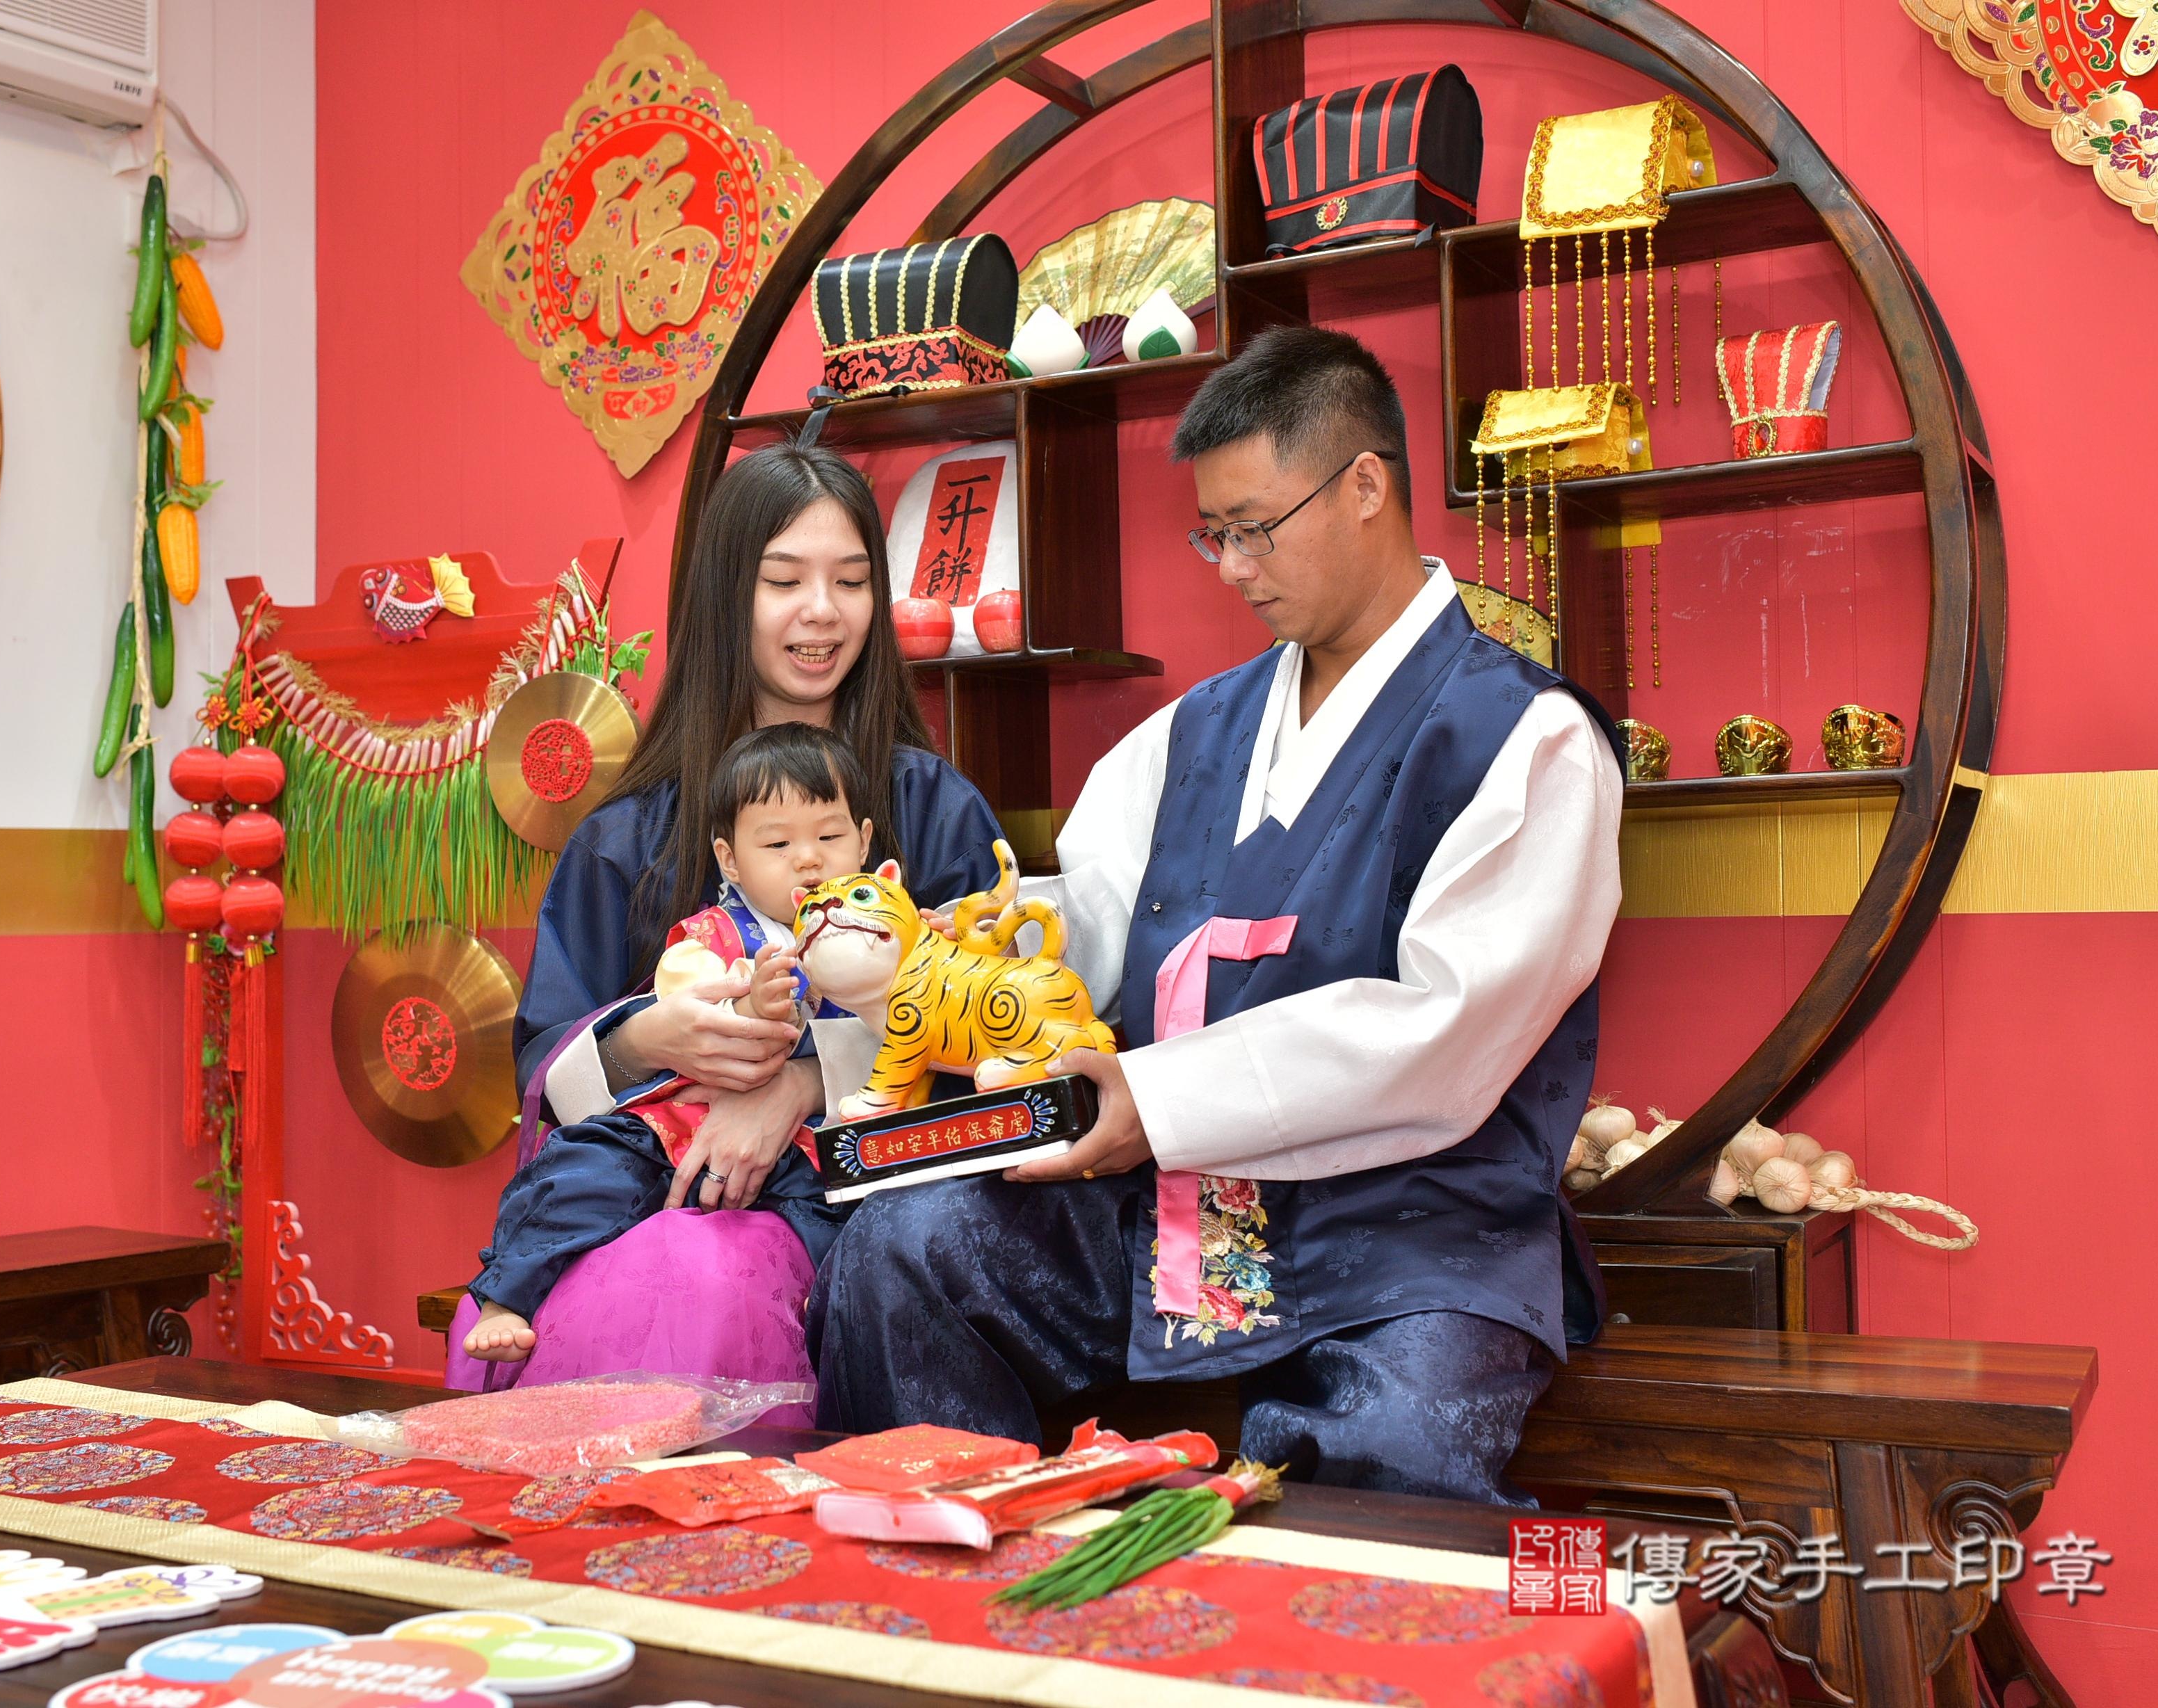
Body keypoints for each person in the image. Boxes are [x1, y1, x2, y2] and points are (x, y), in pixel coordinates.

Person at [810, 326, 1625, 1501]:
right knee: (905, 1254)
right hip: (1164, 1210)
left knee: (1404, 1436)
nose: (1235, 565)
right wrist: (899, 974)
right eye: (1215, 535)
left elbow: (1446, 1030)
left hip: (1406, 1229)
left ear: (1364, 486)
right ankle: (976, 1630)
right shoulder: (1193, 729)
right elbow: (1079, 928)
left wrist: (1156, 1097)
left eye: (1257, 527)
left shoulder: (1524, 736)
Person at [445, 440, 1004, 1392]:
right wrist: (648, 1038)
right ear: (723, 597)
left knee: (712, 1287)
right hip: (646, 1194)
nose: (822, 611)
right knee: (636, 1283)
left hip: (871, 1219)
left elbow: (1000, 1044)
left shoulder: (937, 811)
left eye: (852, 580)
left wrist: (797, 1085)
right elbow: (548, 1077)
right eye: (784, 580)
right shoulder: (630, 836)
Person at [463, 723, 877, 1363]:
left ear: (865, 840)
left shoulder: (881, 934)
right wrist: (751, 1001)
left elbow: (903, 1029)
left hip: (803, 1141)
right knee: (581, 1168)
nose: (808, 859)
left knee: (853, 1204)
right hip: (677, 1122)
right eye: (778, 843)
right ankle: (507, 1293)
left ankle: (820, 1307)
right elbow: (690, 996)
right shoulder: (712, 933)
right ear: (729, 858)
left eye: (830, 836)